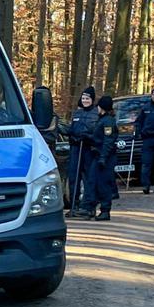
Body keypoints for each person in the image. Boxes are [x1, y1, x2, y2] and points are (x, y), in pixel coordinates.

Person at [65, 87, 99, 217]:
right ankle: (74, 205)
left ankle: (89, 206)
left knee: (89, 178)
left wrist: (88, 136)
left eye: (87, 98)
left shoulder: (96, 113)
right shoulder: (77, 114)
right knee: (74, 177)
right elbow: (72, 129)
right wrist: (71, 135)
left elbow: (97, 132)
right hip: (76, 148)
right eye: (83, 98)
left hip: (88, 149)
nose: (85, 101)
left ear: (92, 99)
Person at [85, 95, 117, 221]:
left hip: (105, 157)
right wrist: (88, 137)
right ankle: (90, 207)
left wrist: (103, 158)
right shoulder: (102, 120)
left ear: (102, 107)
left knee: (104, 184)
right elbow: (98, 137)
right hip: (98, 155)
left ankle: (105, 210)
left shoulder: (108, 121)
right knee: (93, 181)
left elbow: (108, 141)